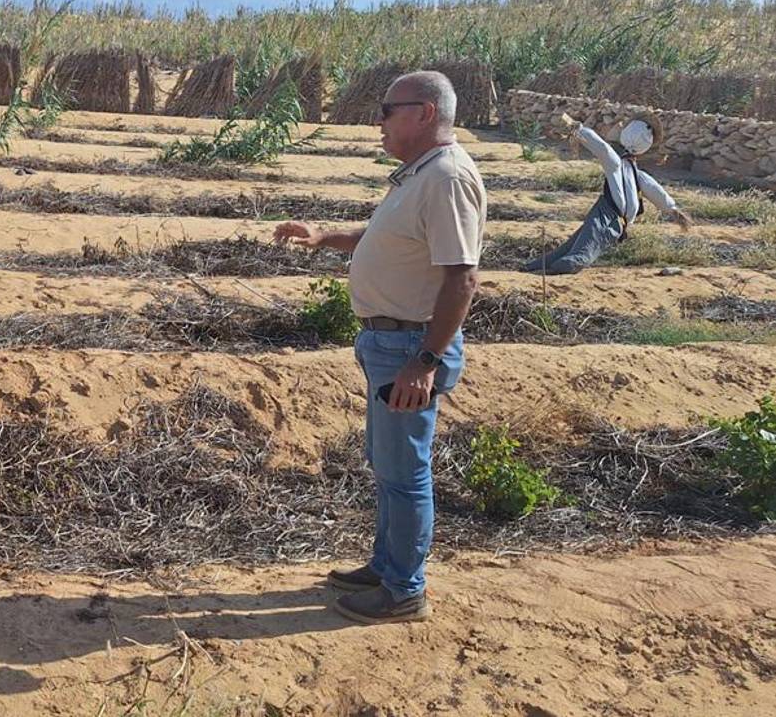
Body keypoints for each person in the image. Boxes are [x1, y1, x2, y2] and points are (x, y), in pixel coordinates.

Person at [274, 71, 485, 625]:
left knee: (406, 473)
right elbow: (385, 240)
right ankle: (386, 567)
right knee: (389, 467)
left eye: (387, 110)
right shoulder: (420, 174)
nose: (379, 121)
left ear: (424, 113)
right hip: (389, 343)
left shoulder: (447, 178)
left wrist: (425, 361)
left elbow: (462, 277)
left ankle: (404, 591)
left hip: (410, 347)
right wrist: (323, 238)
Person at [523, 113, 693, 274]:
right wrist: (672, 209)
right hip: (609, 217)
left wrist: (580, 130)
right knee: (579, 250)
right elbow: (654, 190)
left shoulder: (628, 169)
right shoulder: (626, 168)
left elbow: (604, 150)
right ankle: (545, 266)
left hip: (610, 218)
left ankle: (548, 265)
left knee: (578, 247)